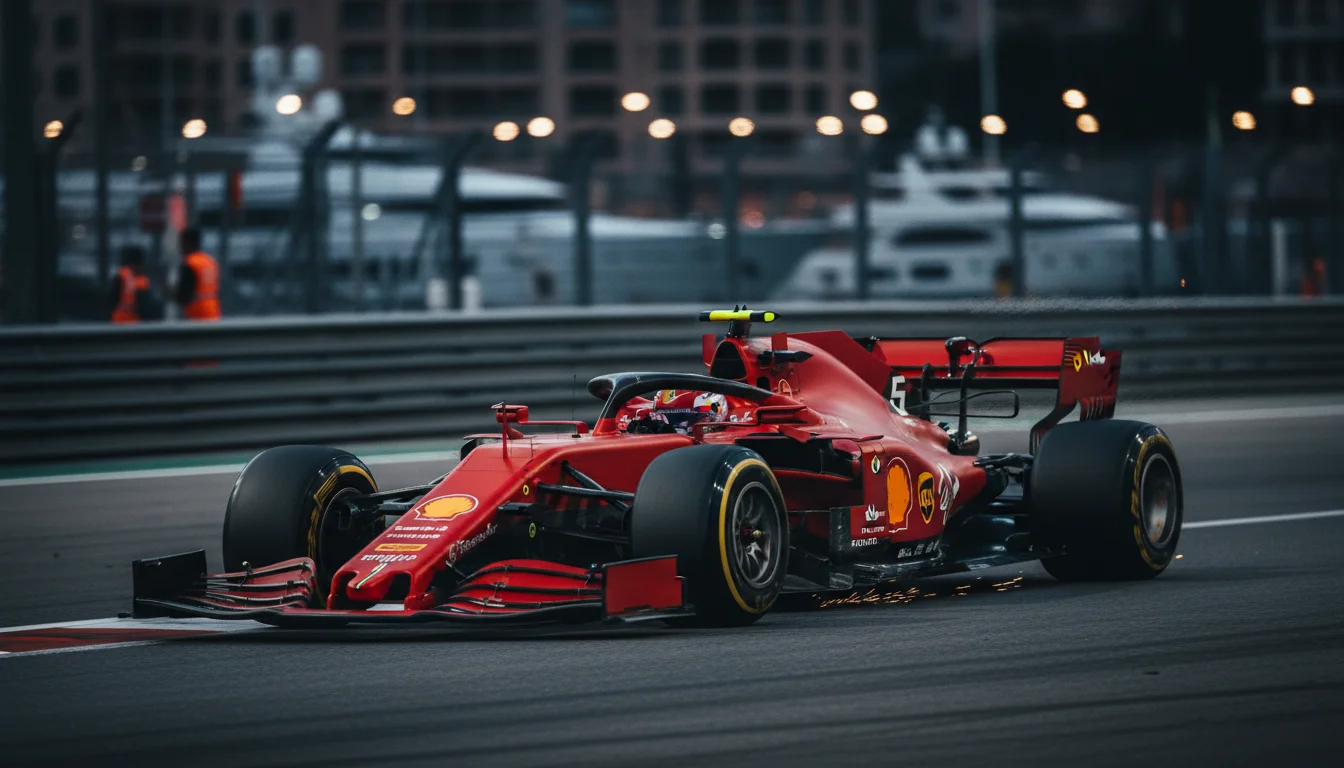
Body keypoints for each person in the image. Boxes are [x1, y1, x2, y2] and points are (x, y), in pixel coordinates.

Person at [108, 246, 163, 323]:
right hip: (131, 322)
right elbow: (145, 306)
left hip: (121, 321)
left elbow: (111, 300)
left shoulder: (121, 275)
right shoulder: (141, 281)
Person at [176, 227, 221, 320]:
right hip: (213, 311)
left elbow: (184, 294)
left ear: (189, 243)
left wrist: (172, 293)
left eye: (182, 243)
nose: (180, 247)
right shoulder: (210, 262)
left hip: (197, 313)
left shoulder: (189, 263)